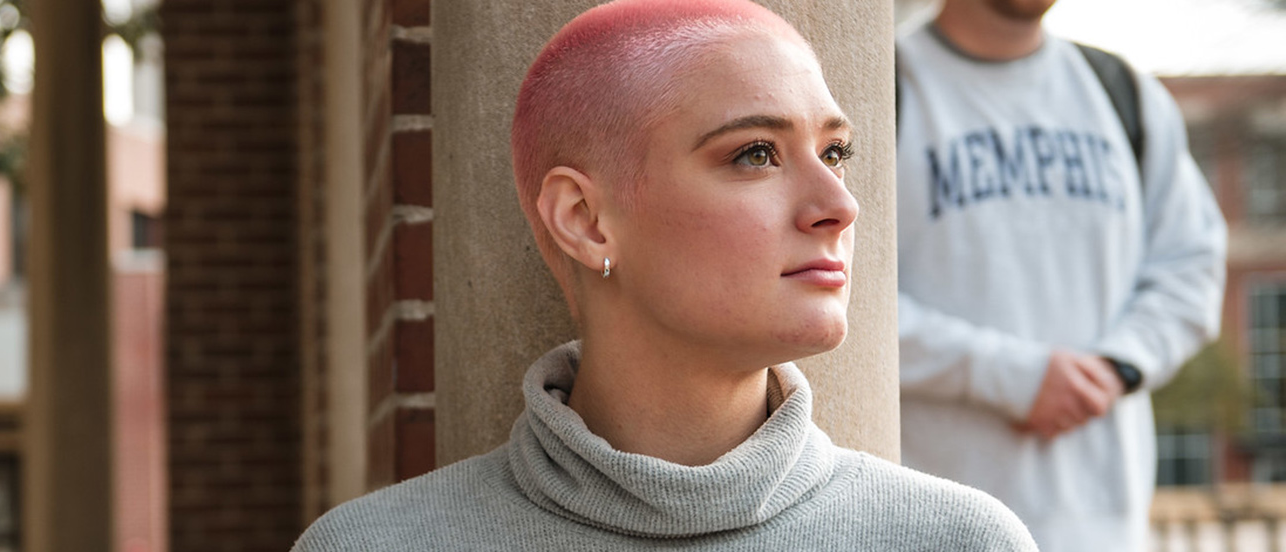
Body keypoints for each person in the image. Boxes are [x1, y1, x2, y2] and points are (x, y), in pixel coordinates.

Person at [294, 1, 1036, 549]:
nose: (838, 206)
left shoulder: (959, 541)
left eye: (834, 152)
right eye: (755, 153)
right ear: (585, 220)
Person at [895, 0, 1228, 550]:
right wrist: (1011, 376)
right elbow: (841, 302)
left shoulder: (1125, 93)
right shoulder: (882, 89)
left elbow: (1191, 267)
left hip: (1106, 524)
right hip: (935, 521)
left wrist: (1115, 367)